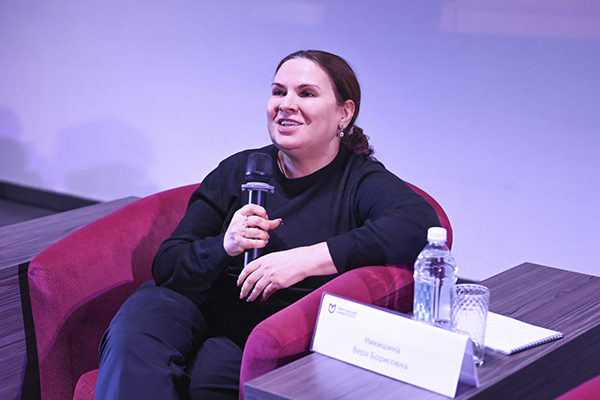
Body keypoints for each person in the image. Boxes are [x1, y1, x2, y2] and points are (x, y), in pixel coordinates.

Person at [94, 50, 441, 400]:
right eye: (278, 92)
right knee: (134, 332)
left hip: (270, 328)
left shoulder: (359, 180)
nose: (286, 104)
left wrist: (306, 259)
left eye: (306, 93)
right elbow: (168, 265)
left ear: (344, 113)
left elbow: (418, 224)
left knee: (207, 378)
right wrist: (224, 245)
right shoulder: (241, 169)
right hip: (200, 301)